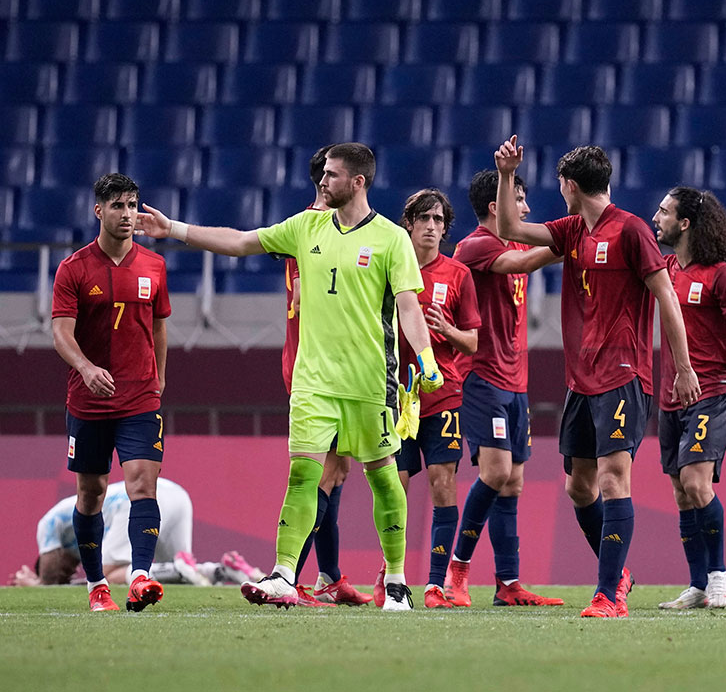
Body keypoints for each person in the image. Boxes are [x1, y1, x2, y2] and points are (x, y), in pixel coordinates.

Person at [136, 143, 442, 612]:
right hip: (313, 382)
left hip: (369, 383)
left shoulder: (390, 238)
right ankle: (283, 573)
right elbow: (240, 242)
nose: (322, 180)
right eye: (323, 173)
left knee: (382, 479)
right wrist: (173, 229)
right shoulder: (305, 227)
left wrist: (424, 357)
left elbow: (406, 306)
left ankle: (397, 582)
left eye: (333, 175)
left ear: (358, 182)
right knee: (303, 474)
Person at [494, 138, 700, 618]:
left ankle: (608, 594)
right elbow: (508, 228)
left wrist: (683, 366)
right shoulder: (572, 230)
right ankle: (619, 575)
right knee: (579, 487)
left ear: (569, 184)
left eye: (560, 184)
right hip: (580, 379)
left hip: (624, 374)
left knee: (613, 477)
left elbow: (666, 298)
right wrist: (505, 174)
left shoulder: (631, 231)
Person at [443, 169, 565, 608]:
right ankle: (455, 574)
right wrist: (574, 238)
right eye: (520, 199)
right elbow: (522, 263)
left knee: (512, 482)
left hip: (516, 382)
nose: (527, 208)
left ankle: (508, 584)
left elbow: (525, 254)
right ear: (498, 206)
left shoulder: (513, 241)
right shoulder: (474, 245)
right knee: (494, 473)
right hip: (482, 377)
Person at [51, 173, 170, 612]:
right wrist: (84, 368)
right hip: (89, 400)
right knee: (92, 493)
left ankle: (140, 576)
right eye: (118, 206)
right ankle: (97, 585)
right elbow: (60, 333)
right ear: (98, 210)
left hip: (140, 398)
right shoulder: (74, 268)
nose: (128, 214)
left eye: (133, 205)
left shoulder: (154, 266)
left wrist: (158, 377)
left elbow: (159, 325)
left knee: (142, 484)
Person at [651, 187, 726, 611]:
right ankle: (697, 584)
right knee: (681, 491)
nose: (656, 217)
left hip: (714, 392)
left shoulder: (721, 275)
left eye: (664, 211)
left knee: (697, 481)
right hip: (671, 396)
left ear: (686, 223)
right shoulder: (665, 269)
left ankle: (718, 578)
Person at [283, 146, 372, 608]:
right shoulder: (312, 229)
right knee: (324, 474)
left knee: (337, 475)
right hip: (316, 364)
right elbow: (304, 289)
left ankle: (330, 576)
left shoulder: (338, 227)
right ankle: (289, 581)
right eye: (329, 173)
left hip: (338, 365)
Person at [395, 188, 482, 608]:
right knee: (393, 485)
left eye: (439, 220)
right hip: (396, 395)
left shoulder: (458, 275)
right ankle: (389, 575)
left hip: (443, 394)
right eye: (424, 219)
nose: (432, 227)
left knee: (442, 483)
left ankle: (433, 584)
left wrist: (447, 331)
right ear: (408, 224)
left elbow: (473, 342)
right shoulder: (389, 270)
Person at [8, 478, 265, 588]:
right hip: (174, 494)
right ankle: (227, 568)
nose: (69, 571)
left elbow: (52, 576)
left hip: (132, 503)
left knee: (108, 574)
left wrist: (38, 583)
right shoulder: (70, 540)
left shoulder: (47, 526)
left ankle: (178, 568)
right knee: (186, 573)